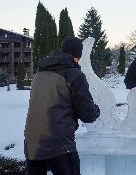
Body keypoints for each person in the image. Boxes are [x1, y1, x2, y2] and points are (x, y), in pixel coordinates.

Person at [24, 37, 100, 175]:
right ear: (77, 56)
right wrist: (96, 110)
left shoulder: (39, 73)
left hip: (32, 143)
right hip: (59, 144)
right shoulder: (75, 75)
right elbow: (87, 114)